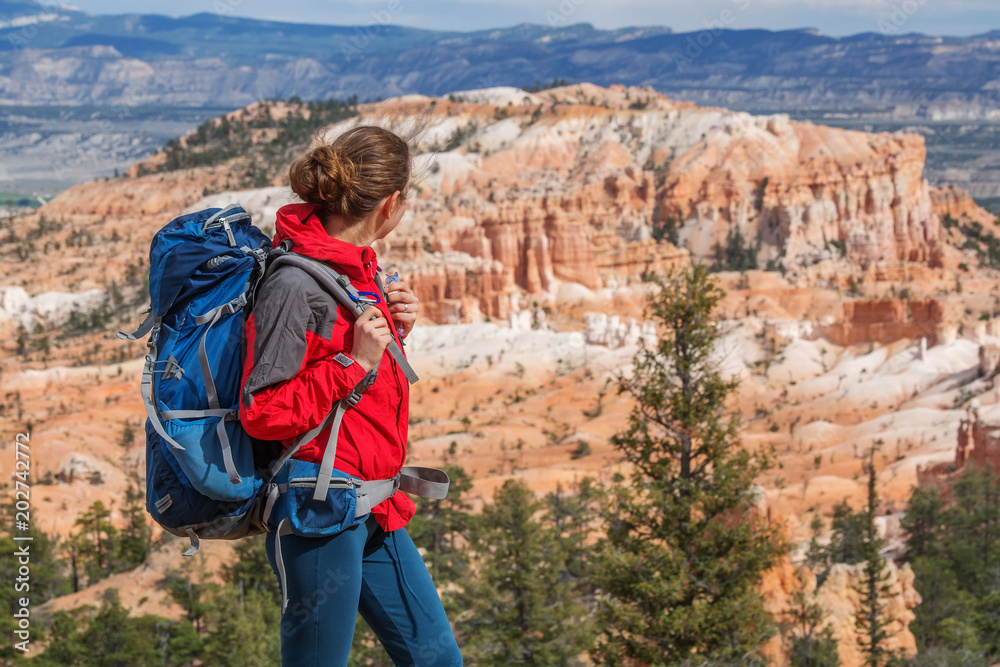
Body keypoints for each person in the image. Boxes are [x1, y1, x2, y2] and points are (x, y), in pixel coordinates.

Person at [239, 125, 462, 666]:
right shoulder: (294, 284)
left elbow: (356, 388)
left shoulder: (359, 272)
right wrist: (354, 360)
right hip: (319, 505)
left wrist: (394, 332)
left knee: (437, 660)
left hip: (375, 501)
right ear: (391, 204)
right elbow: (262, 411)